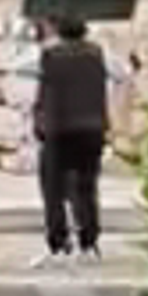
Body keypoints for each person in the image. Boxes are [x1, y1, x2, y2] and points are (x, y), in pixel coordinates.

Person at [31, 15, 113, 254]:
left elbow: (45, 94)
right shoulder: (97, 54)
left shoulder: (51, 56)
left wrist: (40, 124)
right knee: (86, 185)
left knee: (53, 187)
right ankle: (89, 238)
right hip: (92, 128)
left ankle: (58, 239)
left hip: (60, 128)